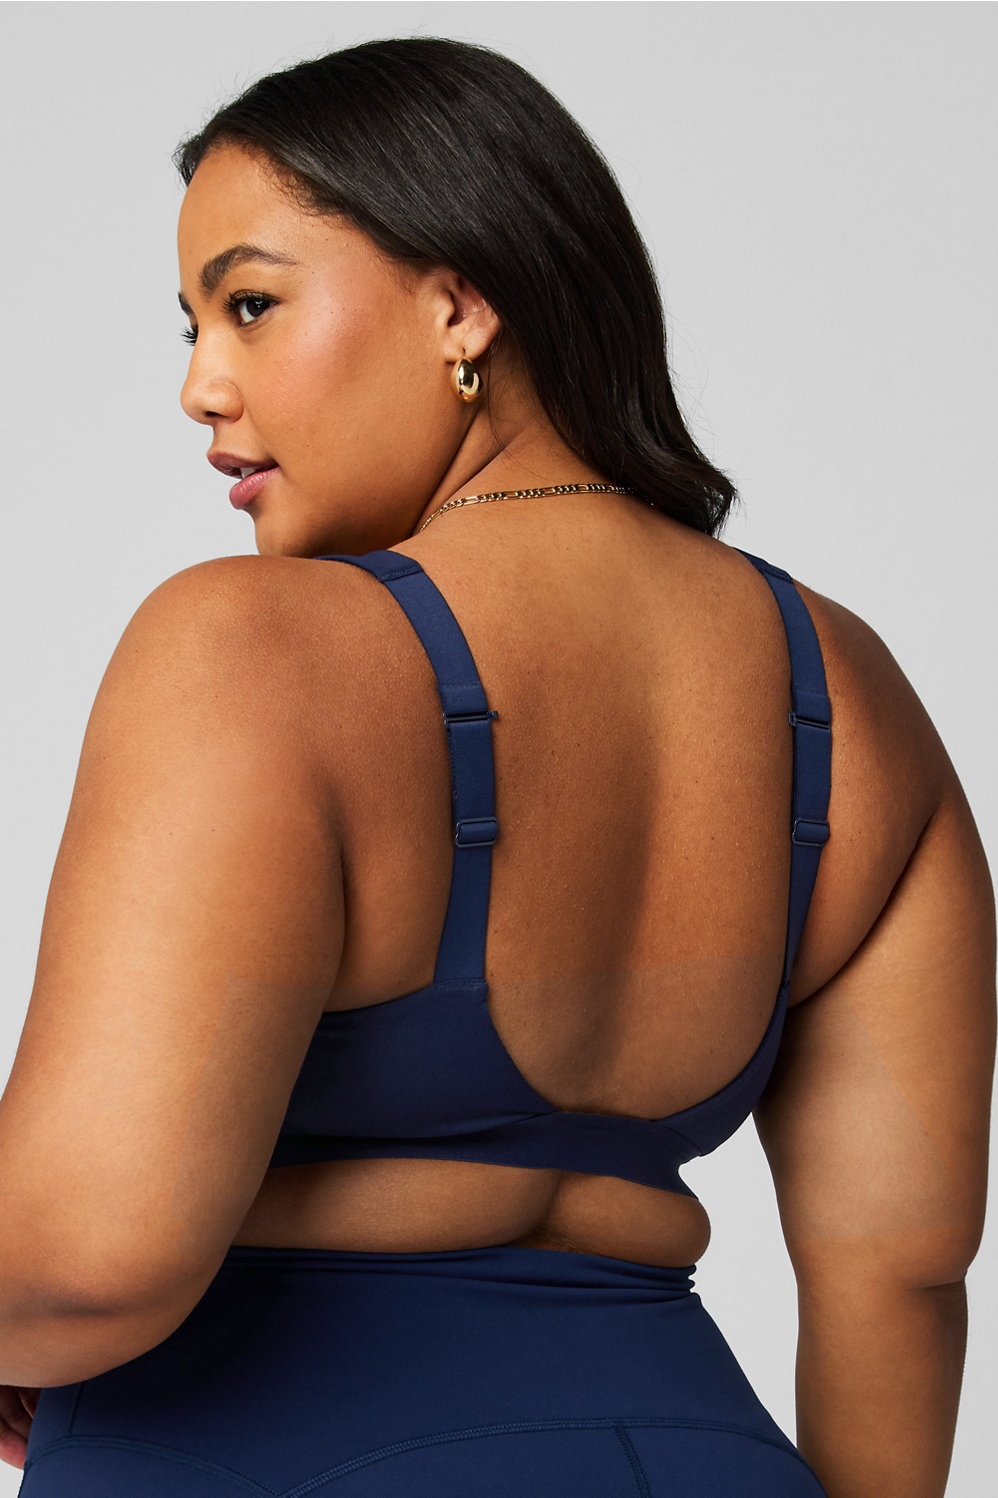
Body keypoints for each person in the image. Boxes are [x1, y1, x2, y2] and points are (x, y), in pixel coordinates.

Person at [1, 36, 992, 1498]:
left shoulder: (253, 649)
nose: (201, 386)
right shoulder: (849, 694)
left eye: (252, 305)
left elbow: (84, 1253)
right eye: (192, 326)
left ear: (458, 305)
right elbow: (900, 1272)